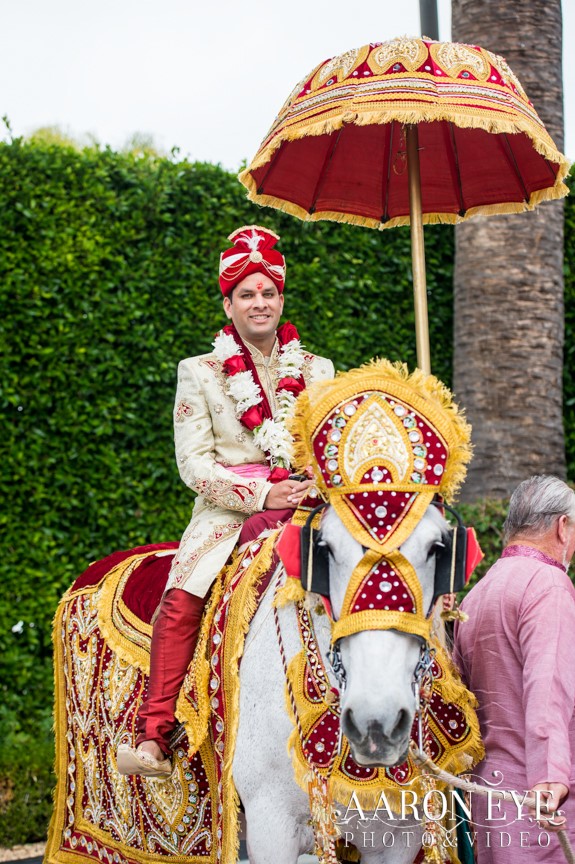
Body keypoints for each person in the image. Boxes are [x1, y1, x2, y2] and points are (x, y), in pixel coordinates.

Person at [117, 225, 333, 777]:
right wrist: (262, 491)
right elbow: (193, 464)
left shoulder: (318, 371)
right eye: (246, 294)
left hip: (308, 504)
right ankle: (155, 735)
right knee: (183, 594)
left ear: (281, 299)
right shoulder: (201, 371)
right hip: (228, 514)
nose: (259, 303)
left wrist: (304, 485)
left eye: (268, 293)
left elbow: (329, 445)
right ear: (228, 304)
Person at [453, 475, 575, 862]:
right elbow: (548, 688)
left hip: (489, 795)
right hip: (539, 797)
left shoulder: (481, 589)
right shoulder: (548, 584)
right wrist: (551, 777)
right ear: (562, 527)